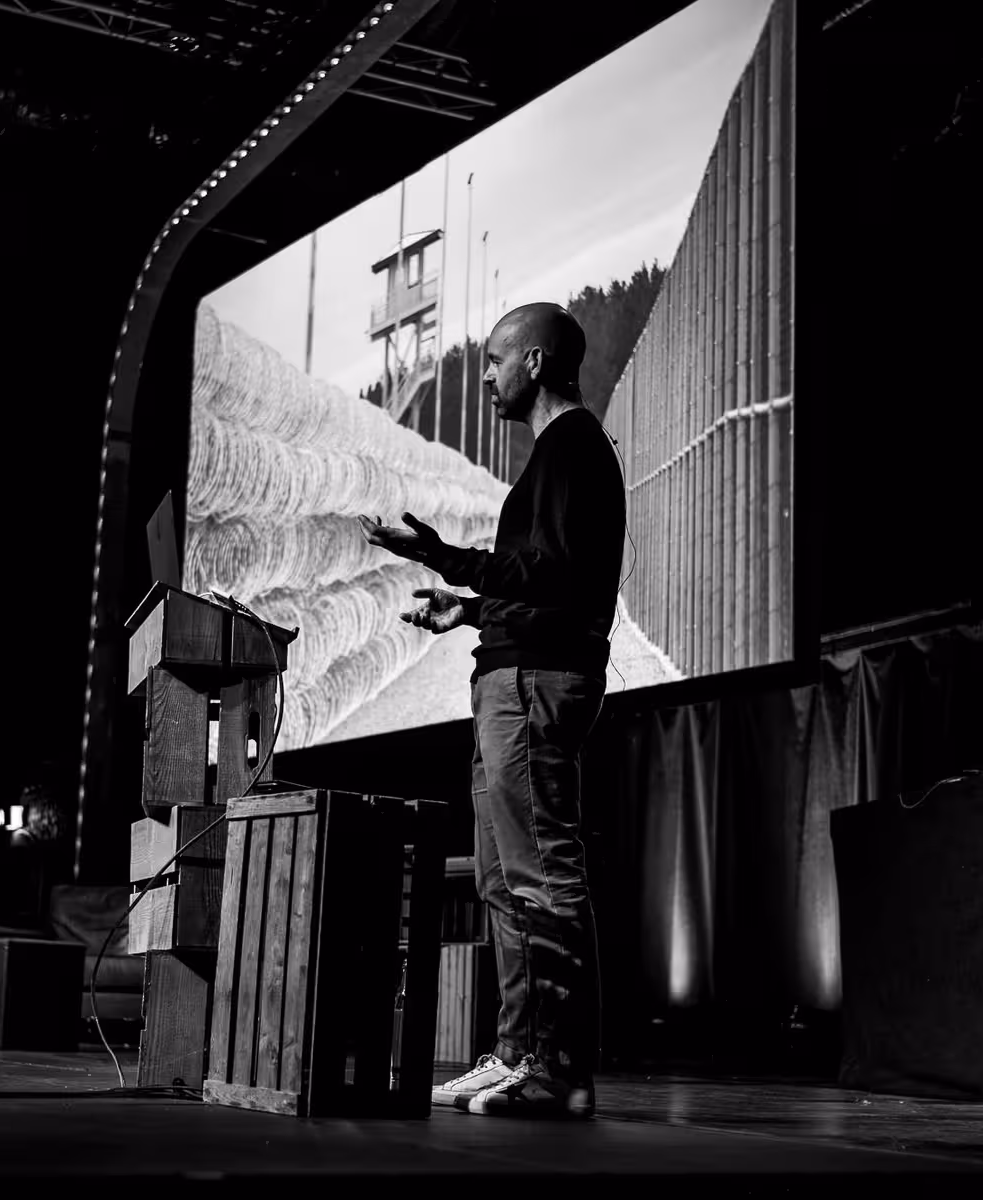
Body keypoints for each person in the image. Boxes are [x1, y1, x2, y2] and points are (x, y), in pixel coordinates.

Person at [359, 302, 625, 1117]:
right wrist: (466, 613)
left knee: (541, 873)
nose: (484, 375)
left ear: (535, 363)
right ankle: (518, 1054)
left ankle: (560, 1068)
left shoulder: (575, 448)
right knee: (506, 883)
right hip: (511, 679)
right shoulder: (557, 456)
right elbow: (545, 583)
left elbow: (542, 572)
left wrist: (440, 554)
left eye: (495, 360)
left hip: (534, 688)